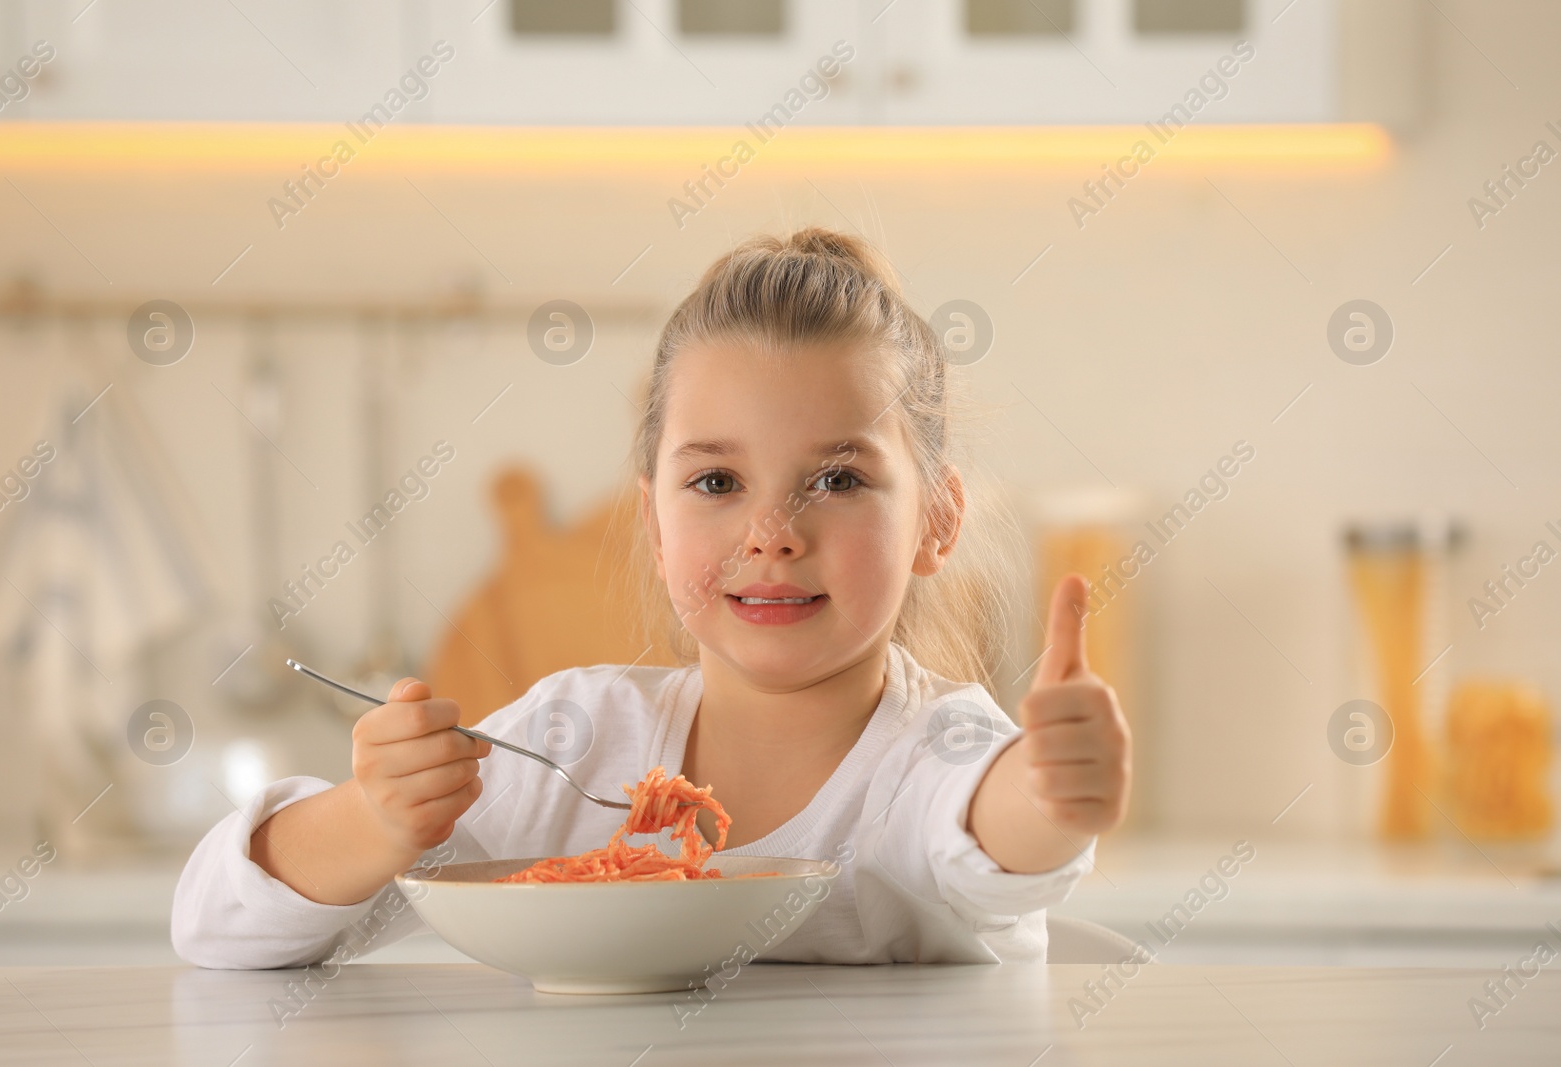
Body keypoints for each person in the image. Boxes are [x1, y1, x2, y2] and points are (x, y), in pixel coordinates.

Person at [172, 227, 1131, 969]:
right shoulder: (572, 743)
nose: (772, 532)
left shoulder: (941, 751)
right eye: (717, 484)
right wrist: (375, 818)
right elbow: (215, 926)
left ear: (938, 519)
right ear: (654, 520)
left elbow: (995, 833)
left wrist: (1055, 788)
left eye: (838, 479)